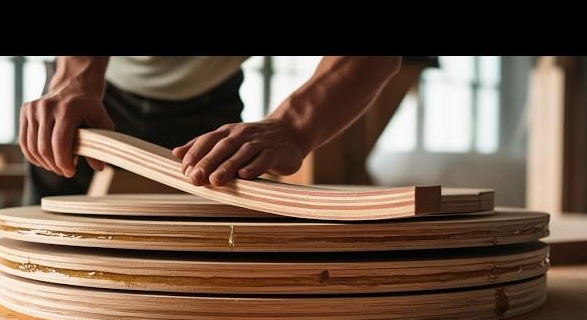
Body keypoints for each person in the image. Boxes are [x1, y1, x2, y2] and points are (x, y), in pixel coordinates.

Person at [20, 56, 401, 204]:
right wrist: (74, 77)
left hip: (209, 97)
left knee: (206, 253)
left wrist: (293, 125)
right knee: (39, 246)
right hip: (91, 90)